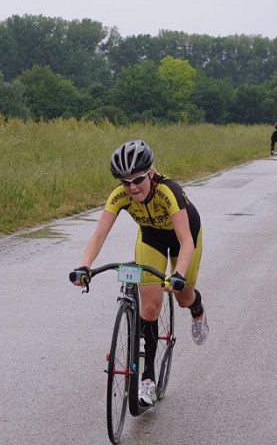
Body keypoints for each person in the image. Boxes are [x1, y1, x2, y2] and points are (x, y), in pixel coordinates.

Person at [69, 139, 209, 407]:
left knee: (183, 296)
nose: (132, 187)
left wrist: (178, 274)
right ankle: (148, 379)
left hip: (184, 236)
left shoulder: (170, 192)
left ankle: (197, 308)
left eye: (138, 179)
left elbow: (186, 241)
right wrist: (84, 266)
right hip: (151, 238)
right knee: (150, 306)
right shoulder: (120, 196)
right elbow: (100, 233)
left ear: (151, 173)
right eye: (125, 182)